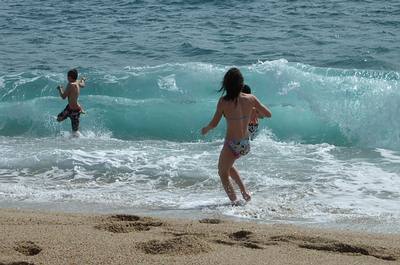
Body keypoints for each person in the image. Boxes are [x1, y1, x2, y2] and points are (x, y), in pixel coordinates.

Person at [201, 68, 271, 205]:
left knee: (222, 172)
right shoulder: (250, 98)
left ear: (226, 84)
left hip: (231, 144)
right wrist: (255, 111)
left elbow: (214, 124)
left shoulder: (223, 102)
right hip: (245, 144)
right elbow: (268, 114)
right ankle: (244, 192)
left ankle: (235, 202)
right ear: (241, 83)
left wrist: (206, 129)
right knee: (228, 166)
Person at [56, 69, 86, 134]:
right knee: (59, 119)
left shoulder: (70, 84)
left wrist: (60, 88)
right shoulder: (77, 82)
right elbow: (83, 85)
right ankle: (79, 111)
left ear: (69, 77)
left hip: (75, 111)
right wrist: (83, 79)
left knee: (75, 132)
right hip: (69, 108)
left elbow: (63, 97)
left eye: (67, 76)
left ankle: (80, 140)